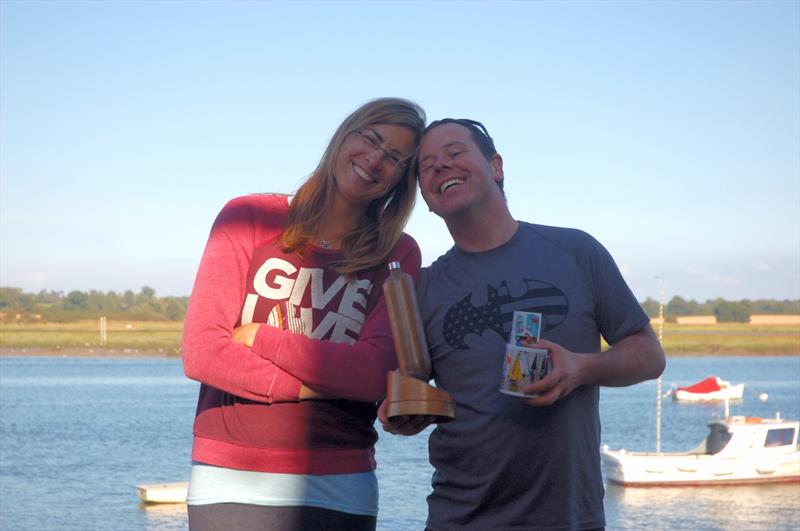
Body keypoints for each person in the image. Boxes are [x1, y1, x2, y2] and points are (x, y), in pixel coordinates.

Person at [379, 118, 666, 530]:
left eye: (456, 152)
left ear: (496, 166)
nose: (441, 165)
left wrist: (581, 368)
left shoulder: (576, 251)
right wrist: (401, 416)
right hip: (460, 517)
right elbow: (411, 394)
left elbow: (649, 356)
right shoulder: (423, 288)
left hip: (569, 517)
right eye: (427, 166)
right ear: (425, 197)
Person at [181, 97, 426, 531]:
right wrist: (321, 386)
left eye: (394, 158)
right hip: (230, 477)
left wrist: (258, 336)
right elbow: (204, 352)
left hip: (340, 481)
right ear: (344, 136)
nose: (374, 160)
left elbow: (371, 374)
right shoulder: (249, 216)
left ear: (400, 182)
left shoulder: (397, 254)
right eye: (370, 139)